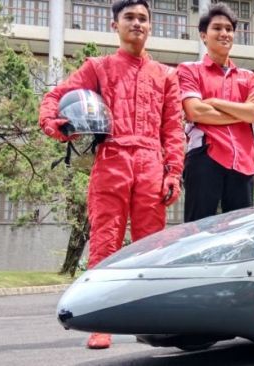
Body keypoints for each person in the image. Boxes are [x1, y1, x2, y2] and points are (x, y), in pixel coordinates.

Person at [38, 0, 184, 349]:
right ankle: (100, 321)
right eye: (129, 18)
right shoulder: (98, 67)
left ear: (151, 26)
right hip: (112, 158)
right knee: (106, 241)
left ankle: (151, 318)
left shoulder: (166, 75)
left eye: (143, 19)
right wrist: (55, 124)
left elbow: (173, 128)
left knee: (152, 247)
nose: (137, 23)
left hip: (151, 161)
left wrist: (173, 172)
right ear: (114, 25)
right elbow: (55, 96)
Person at [177, 3, 254, 222]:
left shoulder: (247, 76)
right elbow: (196, 111)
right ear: (203, 36)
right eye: (217, 28)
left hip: (244, 162)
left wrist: (215, 102)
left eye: (229, 29)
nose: (224, 33)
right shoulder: (189, 70)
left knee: (239, 232)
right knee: (197, 229)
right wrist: (243, 111)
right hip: (205, 156)